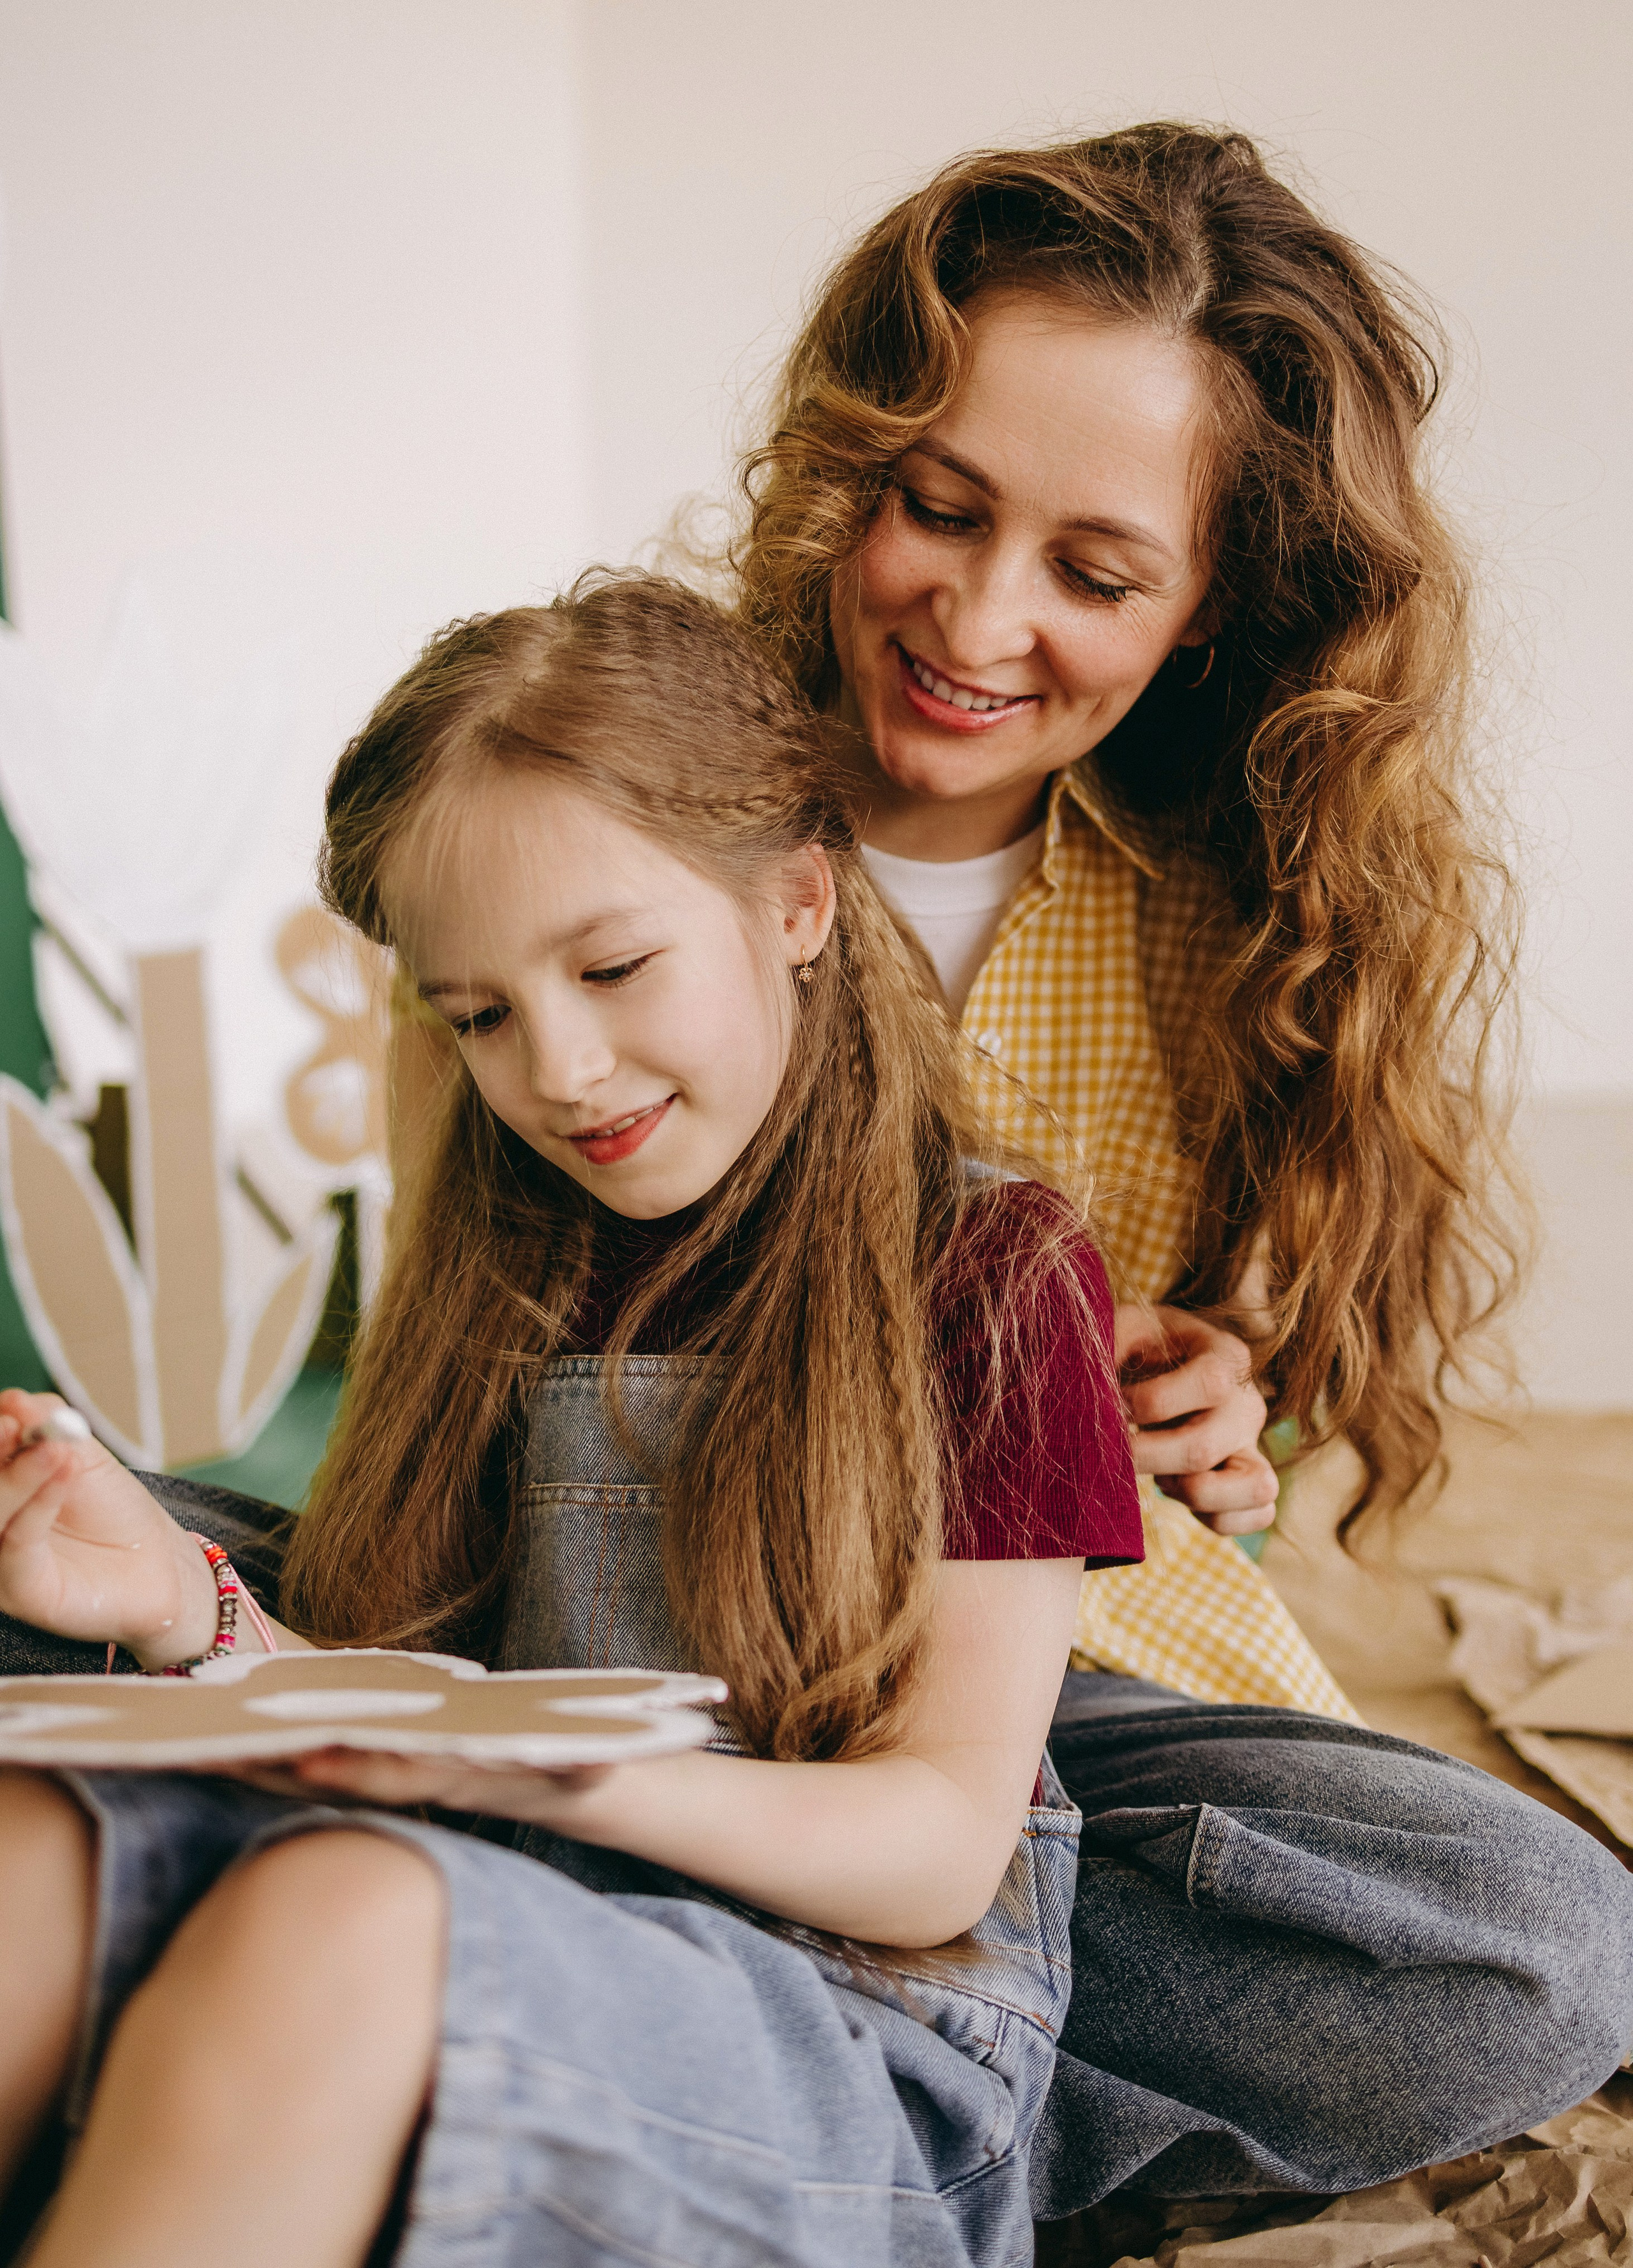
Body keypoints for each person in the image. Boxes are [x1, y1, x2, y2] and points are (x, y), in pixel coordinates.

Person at [0, 575, 1144, 2267]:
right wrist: (185, 1605)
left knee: (343, 1917)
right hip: (523, 1887)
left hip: (856, 2048)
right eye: (479, 1015)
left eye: (613, 965)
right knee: (36, 1846)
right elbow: (397, 1692)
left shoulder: (987, 1268)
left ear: (802, 901)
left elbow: (934, 1854)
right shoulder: (505, 1259)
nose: (563, 1067)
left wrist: (551, 1766)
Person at [726, 121, 1529, 1714]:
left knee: (1546, 1923)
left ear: (1209, 604)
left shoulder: (1238, 931)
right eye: (939, 507)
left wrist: (1218, 1428)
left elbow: (1236, 1436)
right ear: (847, 461)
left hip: (1072, 1692)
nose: (978, 618)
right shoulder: (630, 827)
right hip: (695, 1630)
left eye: (1093, 577)